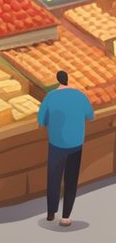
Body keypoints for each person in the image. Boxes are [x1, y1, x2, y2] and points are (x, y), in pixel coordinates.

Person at [38, 70, 95, 227]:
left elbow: (41, 120)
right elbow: (90, 115)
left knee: (53, 179)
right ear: (68, 80)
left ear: (57, 81)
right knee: (71, 180)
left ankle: (51, 213)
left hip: (56, 144)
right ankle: (66, 217)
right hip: (76, 144)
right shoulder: (80, 96)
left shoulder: (50, 97)